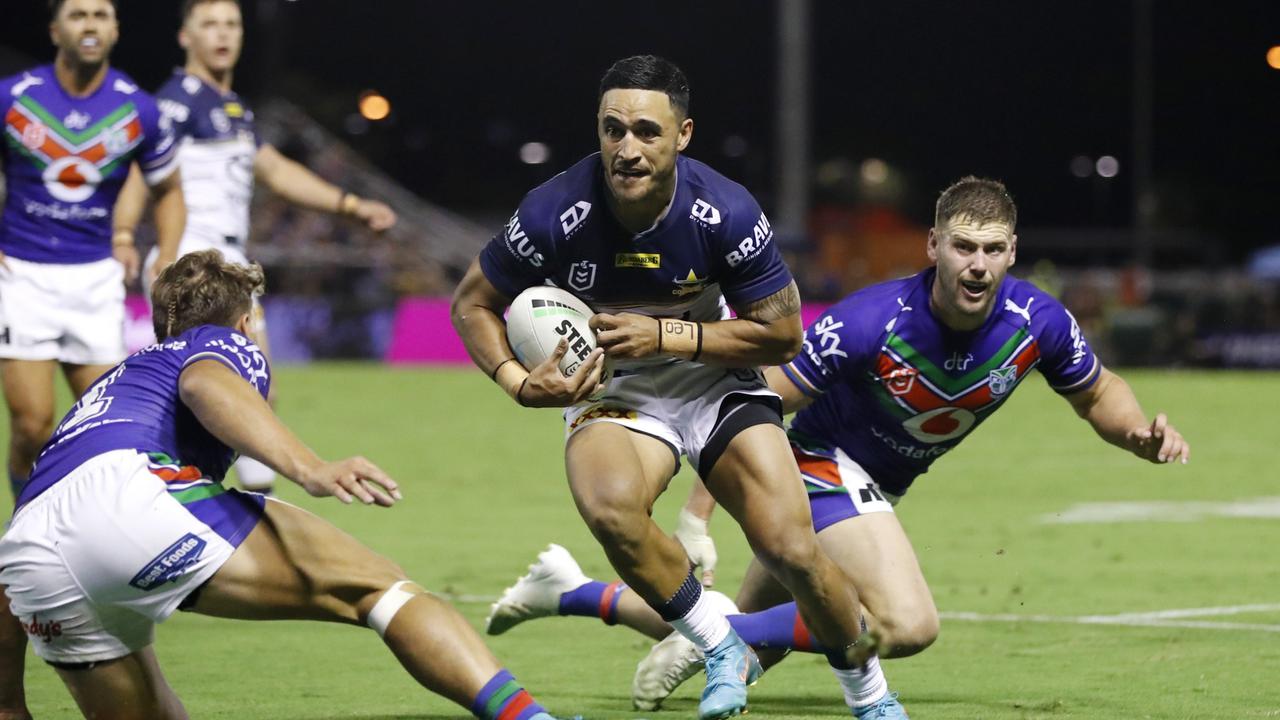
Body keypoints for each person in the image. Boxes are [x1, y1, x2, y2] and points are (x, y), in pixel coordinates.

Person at [482, 176, 1190, 718]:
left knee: (748, 623)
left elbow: (1097, 393)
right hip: (818, 467)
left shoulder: (1039, 321)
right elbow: (749, 401)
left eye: (993, 249)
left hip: (872, 487)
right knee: (902, 624)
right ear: (935, 247)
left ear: (1013, 251)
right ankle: (712, 639)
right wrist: (699, 513)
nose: (978, 265)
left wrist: (1136, 434)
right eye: (964, 247)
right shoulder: (870, 321)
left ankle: (577, 594)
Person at [451, 54, 876, 720]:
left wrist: (668, 338)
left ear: (682, 136)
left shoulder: (725, 211)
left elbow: (784, 336)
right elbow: (471, 304)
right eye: (612, 129)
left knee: (791, 547)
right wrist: (513, 379)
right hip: (618, 390)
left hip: (715, 379)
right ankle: (719, 647)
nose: (626, 148)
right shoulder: (554, 211)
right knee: (612, 512)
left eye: (647, 131)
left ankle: (872, 697)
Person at [0, 250, 575, 720]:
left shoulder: (114, 386)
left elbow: (27, 538)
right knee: (382, 591)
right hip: (130, 499)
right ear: (246, 321)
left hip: (31, 561)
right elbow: (205, 385)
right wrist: (308, 468)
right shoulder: (218, 343)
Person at [112, 0, 397, 495]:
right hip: (194, 265)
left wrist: (350, 204)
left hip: (230, 265)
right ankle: (206, 504)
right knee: (226, 390)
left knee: (252, 391)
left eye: (231, 25)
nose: (222, 34)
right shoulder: (175, 103)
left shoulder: (234, 110)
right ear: (185, 37)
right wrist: (125, 237)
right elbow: (142, 171)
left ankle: (229, 505)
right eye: (210, 25)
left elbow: (277, 172)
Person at [0, 0, 185, 502]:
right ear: (55, 29)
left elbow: (169, 190)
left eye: (100, 15)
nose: (90, 24)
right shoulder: (13, 98)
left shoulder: (137, 108)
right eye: (78, 14)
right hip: (22, 275)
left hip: (96, 279)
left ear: (116, 30)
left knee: (109, 431)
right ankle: (24, 530)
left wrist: (164, 256)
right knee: (33, 424)